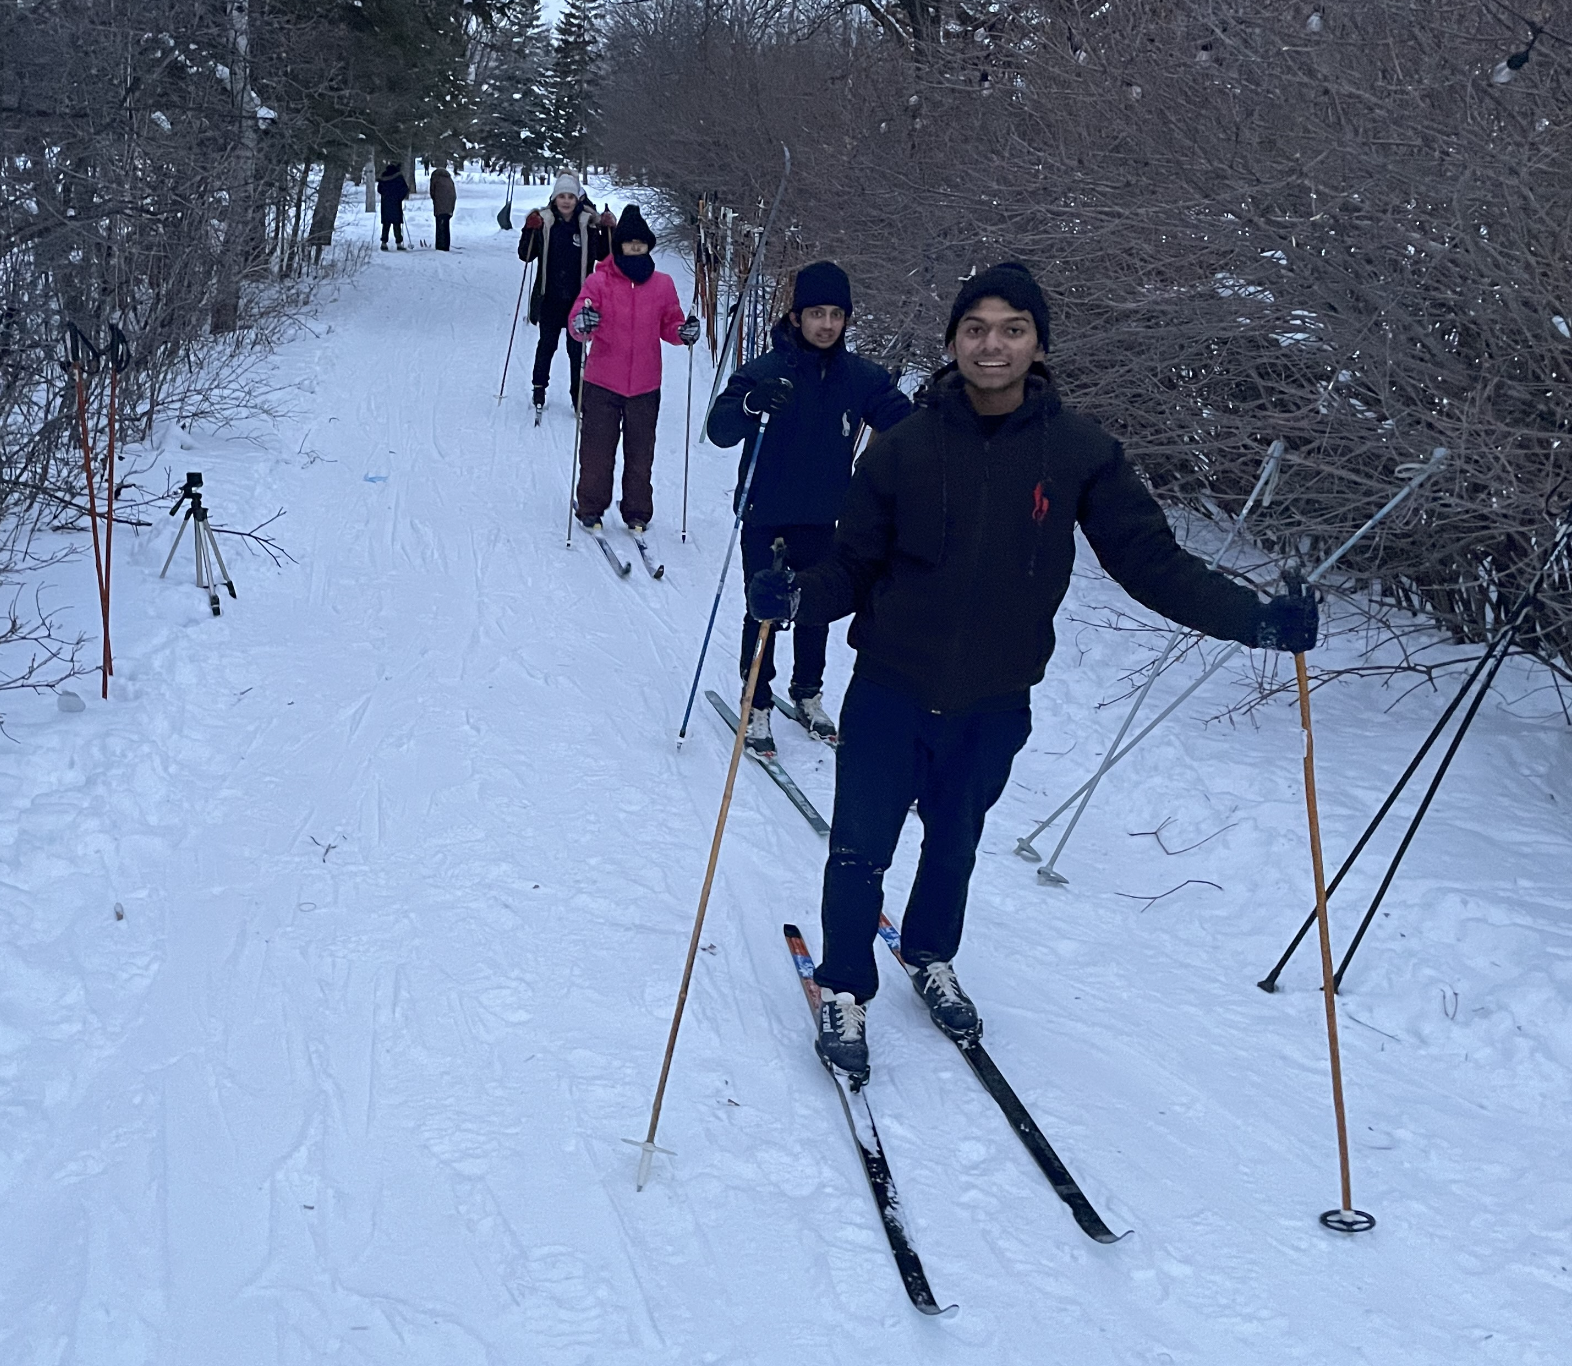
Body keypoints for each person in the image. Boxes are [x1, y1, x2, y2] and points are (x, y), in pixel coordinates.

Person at [745, 262, 1319, 1081]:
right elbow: (850, 568)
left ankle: (931, 955)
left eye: (1012, 328)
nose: (992, 344)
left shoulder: (1079, 451)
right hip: (890, 692)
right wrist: (793, 597)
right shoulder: (904, 450)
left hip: (993, 700)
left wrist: (1254, 619)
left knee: (955, 845)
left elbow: (1151, 562)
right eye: (976, 328)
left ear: (1039, 344)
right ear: (951, 342)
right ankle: (844, 986)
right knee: (858, 851)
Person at [707, 261, 912, 755]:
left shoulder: (857, 376)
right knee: (766, 609)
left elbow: (902, 421)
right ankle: (756, 702)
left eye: (836, 314)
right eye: (816, 313)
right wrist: (753, 404)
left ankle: (808, 693)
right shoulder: (765, 371)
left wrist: (931, 409)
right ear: (796, 317)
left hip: (824, 515)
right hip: (766, 512)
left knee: (815, 606)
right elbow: (719, 430)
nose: (826, 324)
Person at [568, 206, 698, 534]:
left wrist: (683, 333)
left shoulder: (662, 284)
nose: (636, 252)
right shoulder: (599, 282)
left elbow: (670, 322)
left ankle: (637, 510)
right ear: (619, 247)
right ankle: (590, 506)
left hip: (645, 384)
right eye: (630, 246)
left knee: (641, 455)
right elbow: (578, 321)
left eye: (642, 246)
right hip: (602, 382)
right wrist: (583, 323)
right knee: (597, 451)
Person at [518, 172, 613, 414]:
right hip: (549, 297)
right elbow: (526, 255)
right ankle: (539, 389)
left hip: (579, 300)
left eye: (571, 196)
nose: (567, 201)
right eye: (562, 196)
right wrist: (528, 230)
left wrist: (608, 229)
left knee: (577, 351)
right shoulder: (545, 221)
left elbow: (604, 255)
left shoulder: (588, 224)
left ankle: (578, 395)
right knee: (546, 345)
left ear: (578, 198)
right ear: (555, 197)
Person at [376, 162, 409, 251]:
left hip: (386, 202)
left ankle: (384, 242)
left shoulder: (384, 176)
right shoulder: (399, 177)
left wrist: (385, 195)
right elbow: (405, 189)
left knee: (386, 224)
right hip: (396, 202)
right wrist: (399, 197)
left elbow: (379, 189)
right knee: (397, 223)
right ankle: (398, 243)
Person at [429, 160, 457, 251]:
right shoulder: (449, 180)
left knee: (439, 226)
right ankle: (446, 245)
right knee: (446, 225)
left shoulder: (435, 179)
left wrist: (435, 200)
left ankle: (440, 245)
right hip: (449, 206)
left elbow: (432, 192)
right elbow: (453, 194)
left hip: (439, 206)